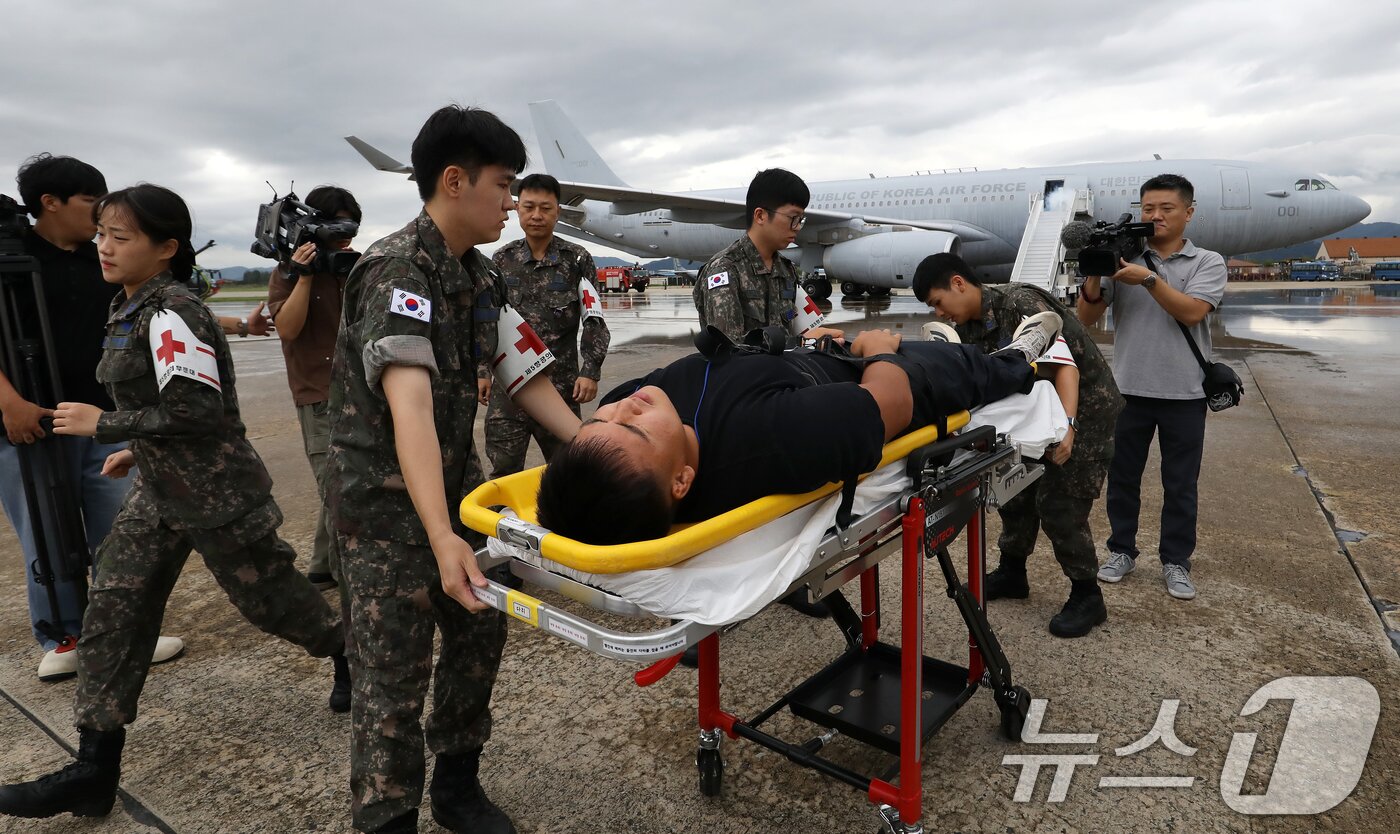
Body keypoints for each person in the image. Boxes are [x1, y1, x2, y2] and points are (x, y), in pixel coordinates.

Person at [0, 184, 346, 822]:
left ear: (166, 249)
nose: (104, 246)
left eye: (121, 237)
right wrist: (138, 446)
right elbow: (168, 408)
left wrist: (104, 425)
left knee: (276, 604)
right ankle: (93, 770)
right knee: (112, 615)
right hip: (159, 493)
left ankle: (346, 650)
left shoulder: (173, 311)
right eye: (102, 233)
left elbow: (197, 410)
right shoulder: (130, 304)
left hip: (217, 495)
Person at [326, 105, 578, 834]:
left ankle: (457, 786)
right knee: (391, 678)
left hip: (454, 495)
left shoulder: (480, 276)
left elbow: (527, 379)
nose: (512, 202)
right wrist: (441, 537)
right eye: (504, 186)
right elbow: (408, 410)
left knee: (477, 637)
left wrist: (595, 448)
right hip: (383, 512)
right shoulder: (397, 270)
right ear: (455, 180)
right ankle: (388, 816)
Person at [537, 312, 1063, 546]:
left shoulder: (650, 418)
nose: (622, 407)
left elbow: (617, 411)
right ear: (681, 482)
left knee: (926, 351)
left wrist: (804, 344)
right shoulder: (772, 437)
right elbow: (889, 403)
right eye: (632, 428)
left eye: (601, 421)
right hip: (869, 371)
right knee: (959, 368)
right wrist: (876, 350)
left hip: (801, 356)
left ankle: (949, 347)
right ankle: (1017, 355)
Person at [0, 154, 183, 682]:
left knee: (122, 529)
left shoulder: (97, 259)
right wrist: (9, 403)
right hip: (28, 423)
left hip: (103, 421)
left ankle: (126, 630)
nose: (100, 215)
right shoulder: (10, 255)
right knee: (46, 534)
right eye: (89, 201)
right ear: (48, 203)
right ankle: (66, 638)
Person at [913, 253, 1124, 637]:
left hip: (1083, 409)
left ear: (959, 283)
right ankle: (1013, 572)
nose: (940, 313)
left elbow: (1064, 367)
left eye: (938, 303)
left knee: (1059, 503)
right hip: (1033, 412)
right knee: (1014, 492)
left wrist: (1068, 428)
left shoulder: (1019, 305)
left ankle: (1088, 596)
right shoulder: (969, 325)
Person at [1076, 173, 1227, 601]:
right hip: (1128, 390)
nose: (1155, 216)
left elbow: (1193, 312)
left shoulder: (1207, 262)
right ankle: (1121, 550)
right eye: (1148, 209)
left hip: (1185, 393)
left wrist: (1145, 278)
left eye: (1166, 209)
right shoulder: (1123, 258)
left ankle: (1176, 560)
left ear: (1188, 212)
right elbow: (1086, 320)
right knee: (1123, 478)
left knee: (1180, 483)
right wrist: (1095, 274)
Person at [266, 184, 361, 590]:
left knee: (349, 484)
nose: (345, 238)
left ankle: (322, 567)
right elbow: (287, 328)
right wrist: (304, 276)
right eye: (337, 229)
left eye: (350, 231)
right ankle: (349, 577)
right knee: (339, 490)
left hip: (360, 393)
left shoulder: (353, 266)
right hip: (319, 397)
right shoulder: (287, 272)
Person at [486, 173, 609, 478]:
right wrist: (479, 372)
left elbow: (593, 319)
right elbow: (487, 320)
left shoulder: (577, 259)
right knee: (503, 473)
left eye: (546, 208)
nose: (536, 216)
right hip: (509, 390)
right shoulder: (501, 259)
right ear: (517, 208)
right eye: (529, 207)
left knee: (569, 473)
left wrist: (590, 371)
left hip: (561, 389)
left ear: (559, 212)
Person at [692, 168, 843, 343]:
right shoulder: (724, 270)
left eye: (801, 219)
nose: (797, 227)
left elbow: (801, 327)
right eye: (793, 217)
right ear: (760, 215)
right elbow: (729, 349)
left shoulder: (786, 270)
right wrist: (799, 342)